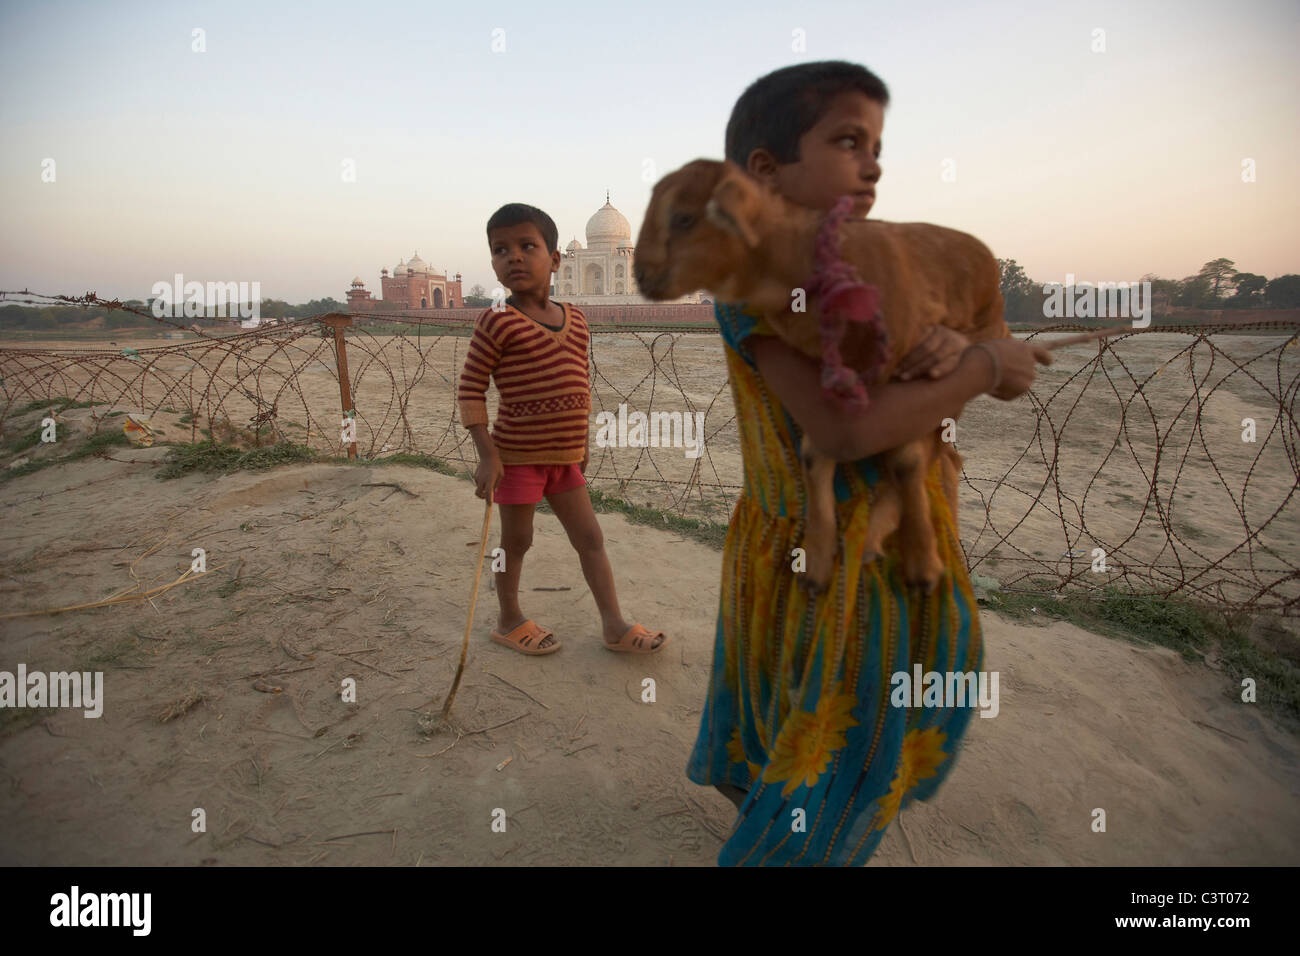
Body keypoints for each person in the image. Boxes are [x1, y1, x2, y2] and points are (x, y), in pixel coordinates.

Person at [685, 61, 1053, 865]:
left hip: (859, 538)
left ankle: (771, 814)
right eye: (849, 140)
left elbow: (923, 381)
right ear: (765, 170)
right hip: (851, 570)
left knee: (788, 711)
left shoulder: (881, 277)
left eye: (879, 143)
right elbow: (847, 433)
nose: (874, 161)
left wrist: (959, 351)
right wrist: (986, 367)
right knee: (846, 744)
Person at [458, 203, 669, 655]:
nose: (513, 257)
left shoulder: (575, 319)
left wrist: (582, 442)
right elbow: (470, 391)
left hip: (564, 459)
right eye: (500, 250)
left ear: (556, 259)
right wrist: (487, 453)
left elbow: (580, 384)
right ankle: (508, 618)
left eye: (527, 246)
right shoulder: (496, 321)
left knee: (590, 538)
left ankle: (614, 624)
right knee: (516, 541)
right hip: (517, 459)